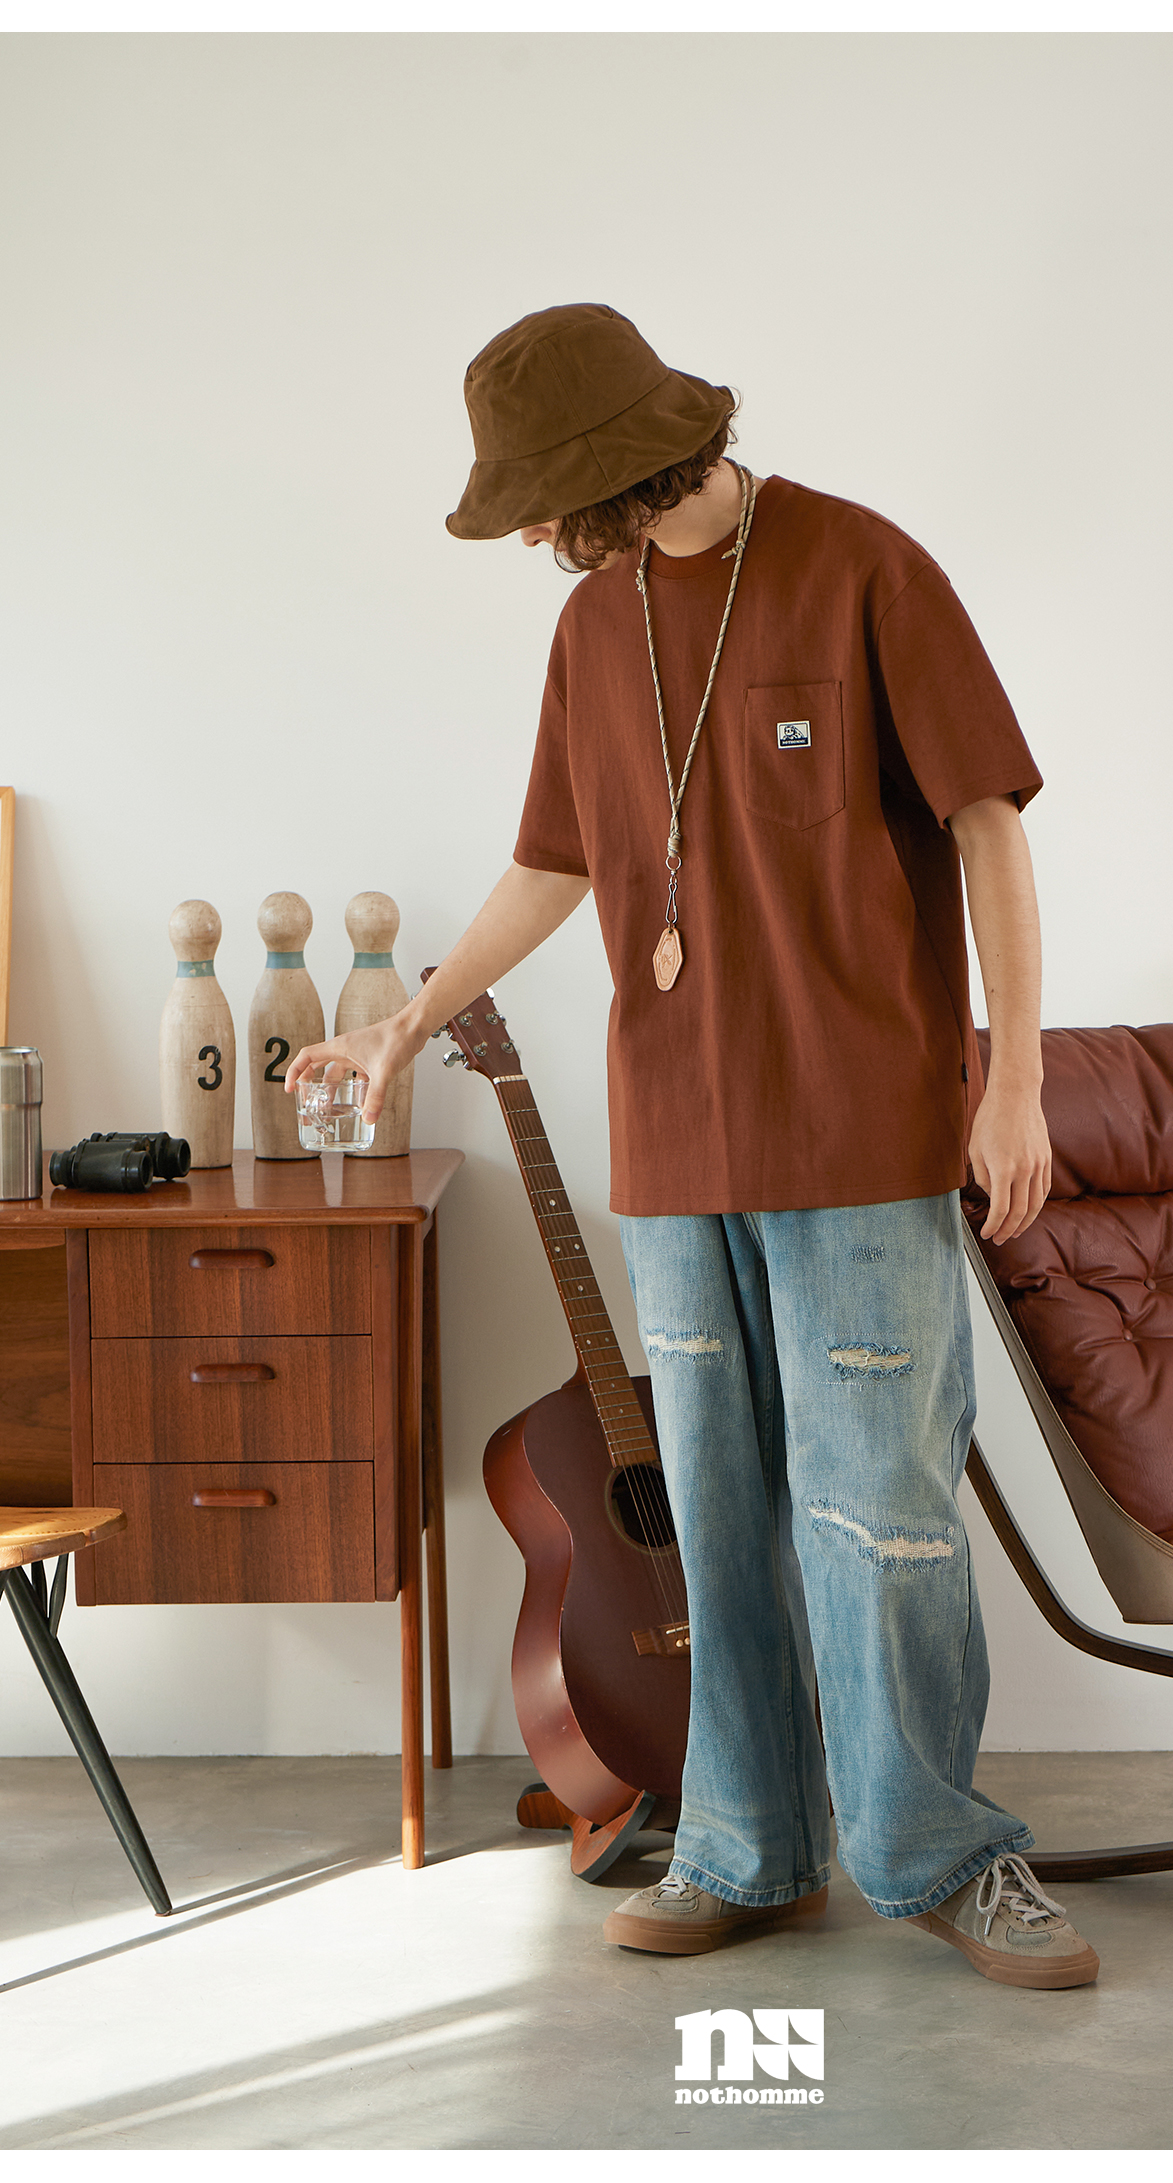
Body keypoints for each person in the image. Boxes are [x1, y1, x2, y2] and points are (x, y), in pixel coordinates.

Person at [287, 302, 1099, 1991]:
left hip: (862, 1142)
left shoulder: (865, 569)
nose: (532, 538)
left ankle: (944, 1856)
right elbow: (553, 864)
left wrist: (1013, 1075)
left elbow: (989, 825)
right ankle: (748, 1849)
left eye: (544, 502)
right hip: (670, 1149)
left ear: (624, 466)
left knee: (881, 1520)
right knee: (713, 1522)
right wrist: (408, 1022)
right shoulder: (592, 624)